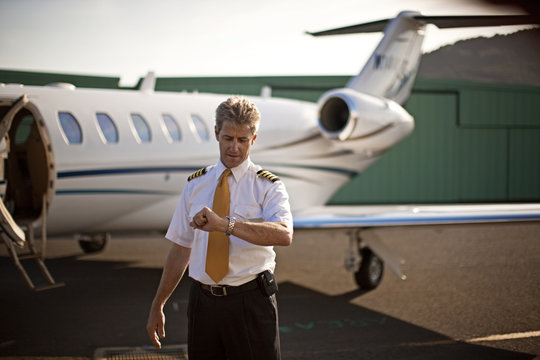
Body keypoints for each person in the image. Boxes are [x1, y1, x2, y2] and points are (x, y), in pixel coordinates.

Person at [146, 96, 293, 360]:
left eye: (242, 140)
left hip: (250, 302)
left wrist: (225, 225)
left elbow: (284, 234)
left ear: (254, 139)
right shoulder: (195, 185)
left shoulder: (267, 186)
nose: (234, 148)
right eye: (228, 138)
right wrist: (158, 304)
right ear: (216, 134)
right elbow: (180, 249)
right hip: (203, 305)